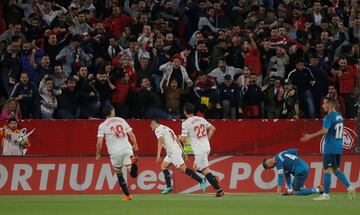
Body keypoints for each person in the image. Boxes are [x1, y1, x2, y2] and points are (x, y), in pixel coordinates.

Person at [301, 97, 356, 200]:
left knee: (327, 170)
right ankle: (350, 187)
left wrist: (310, 136)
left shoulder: (328, 117)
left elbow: (325, 131)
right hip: (338, 147)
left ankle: (326, 195)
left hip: (330, 147)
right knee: (336, 170)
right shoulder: (339, 116)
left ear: (331, 105)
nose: (323, 105)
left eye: (325, 104)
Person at [178, 103, 224, 197]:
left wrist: (178, 137)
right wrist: (206, 139)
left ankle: (219, 189)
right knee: (195, 167)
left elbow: (182, 139)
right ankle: (213, 178)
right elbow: (212, 128)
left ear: (185, 112)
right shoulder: (201, 119)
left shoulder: (185, 123)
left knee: (204, 170)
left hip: (199, 149)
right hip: (206, 146)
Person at [150, 120, 206, 194]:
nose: (150, 127)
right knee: (163, 166)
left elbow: (160, 140)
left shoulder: (158, 130)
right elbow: (176, 140)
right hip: (173, 151)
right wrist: (183, 151)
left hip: (173, 152)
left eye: (151, 125)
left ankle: (201, 180)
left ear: (154, 123)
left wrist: (158, 154)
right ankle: (168, 187)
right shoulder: (167, 128)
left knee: (184, 169)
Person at [96, 105, 139, 201]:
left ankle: (127, 195)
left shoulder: (102, 125)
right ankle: (133, 161)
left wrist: (98, 153)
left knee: (119, 173)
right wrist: (135, 144)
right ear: (111, 112)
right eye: (113, 110)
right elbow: (131, 134)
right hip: (127, 148)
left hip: (115, 152)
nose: (114, 111)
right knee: (133, 174)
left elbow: (99, 142)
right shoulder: (121, 120)